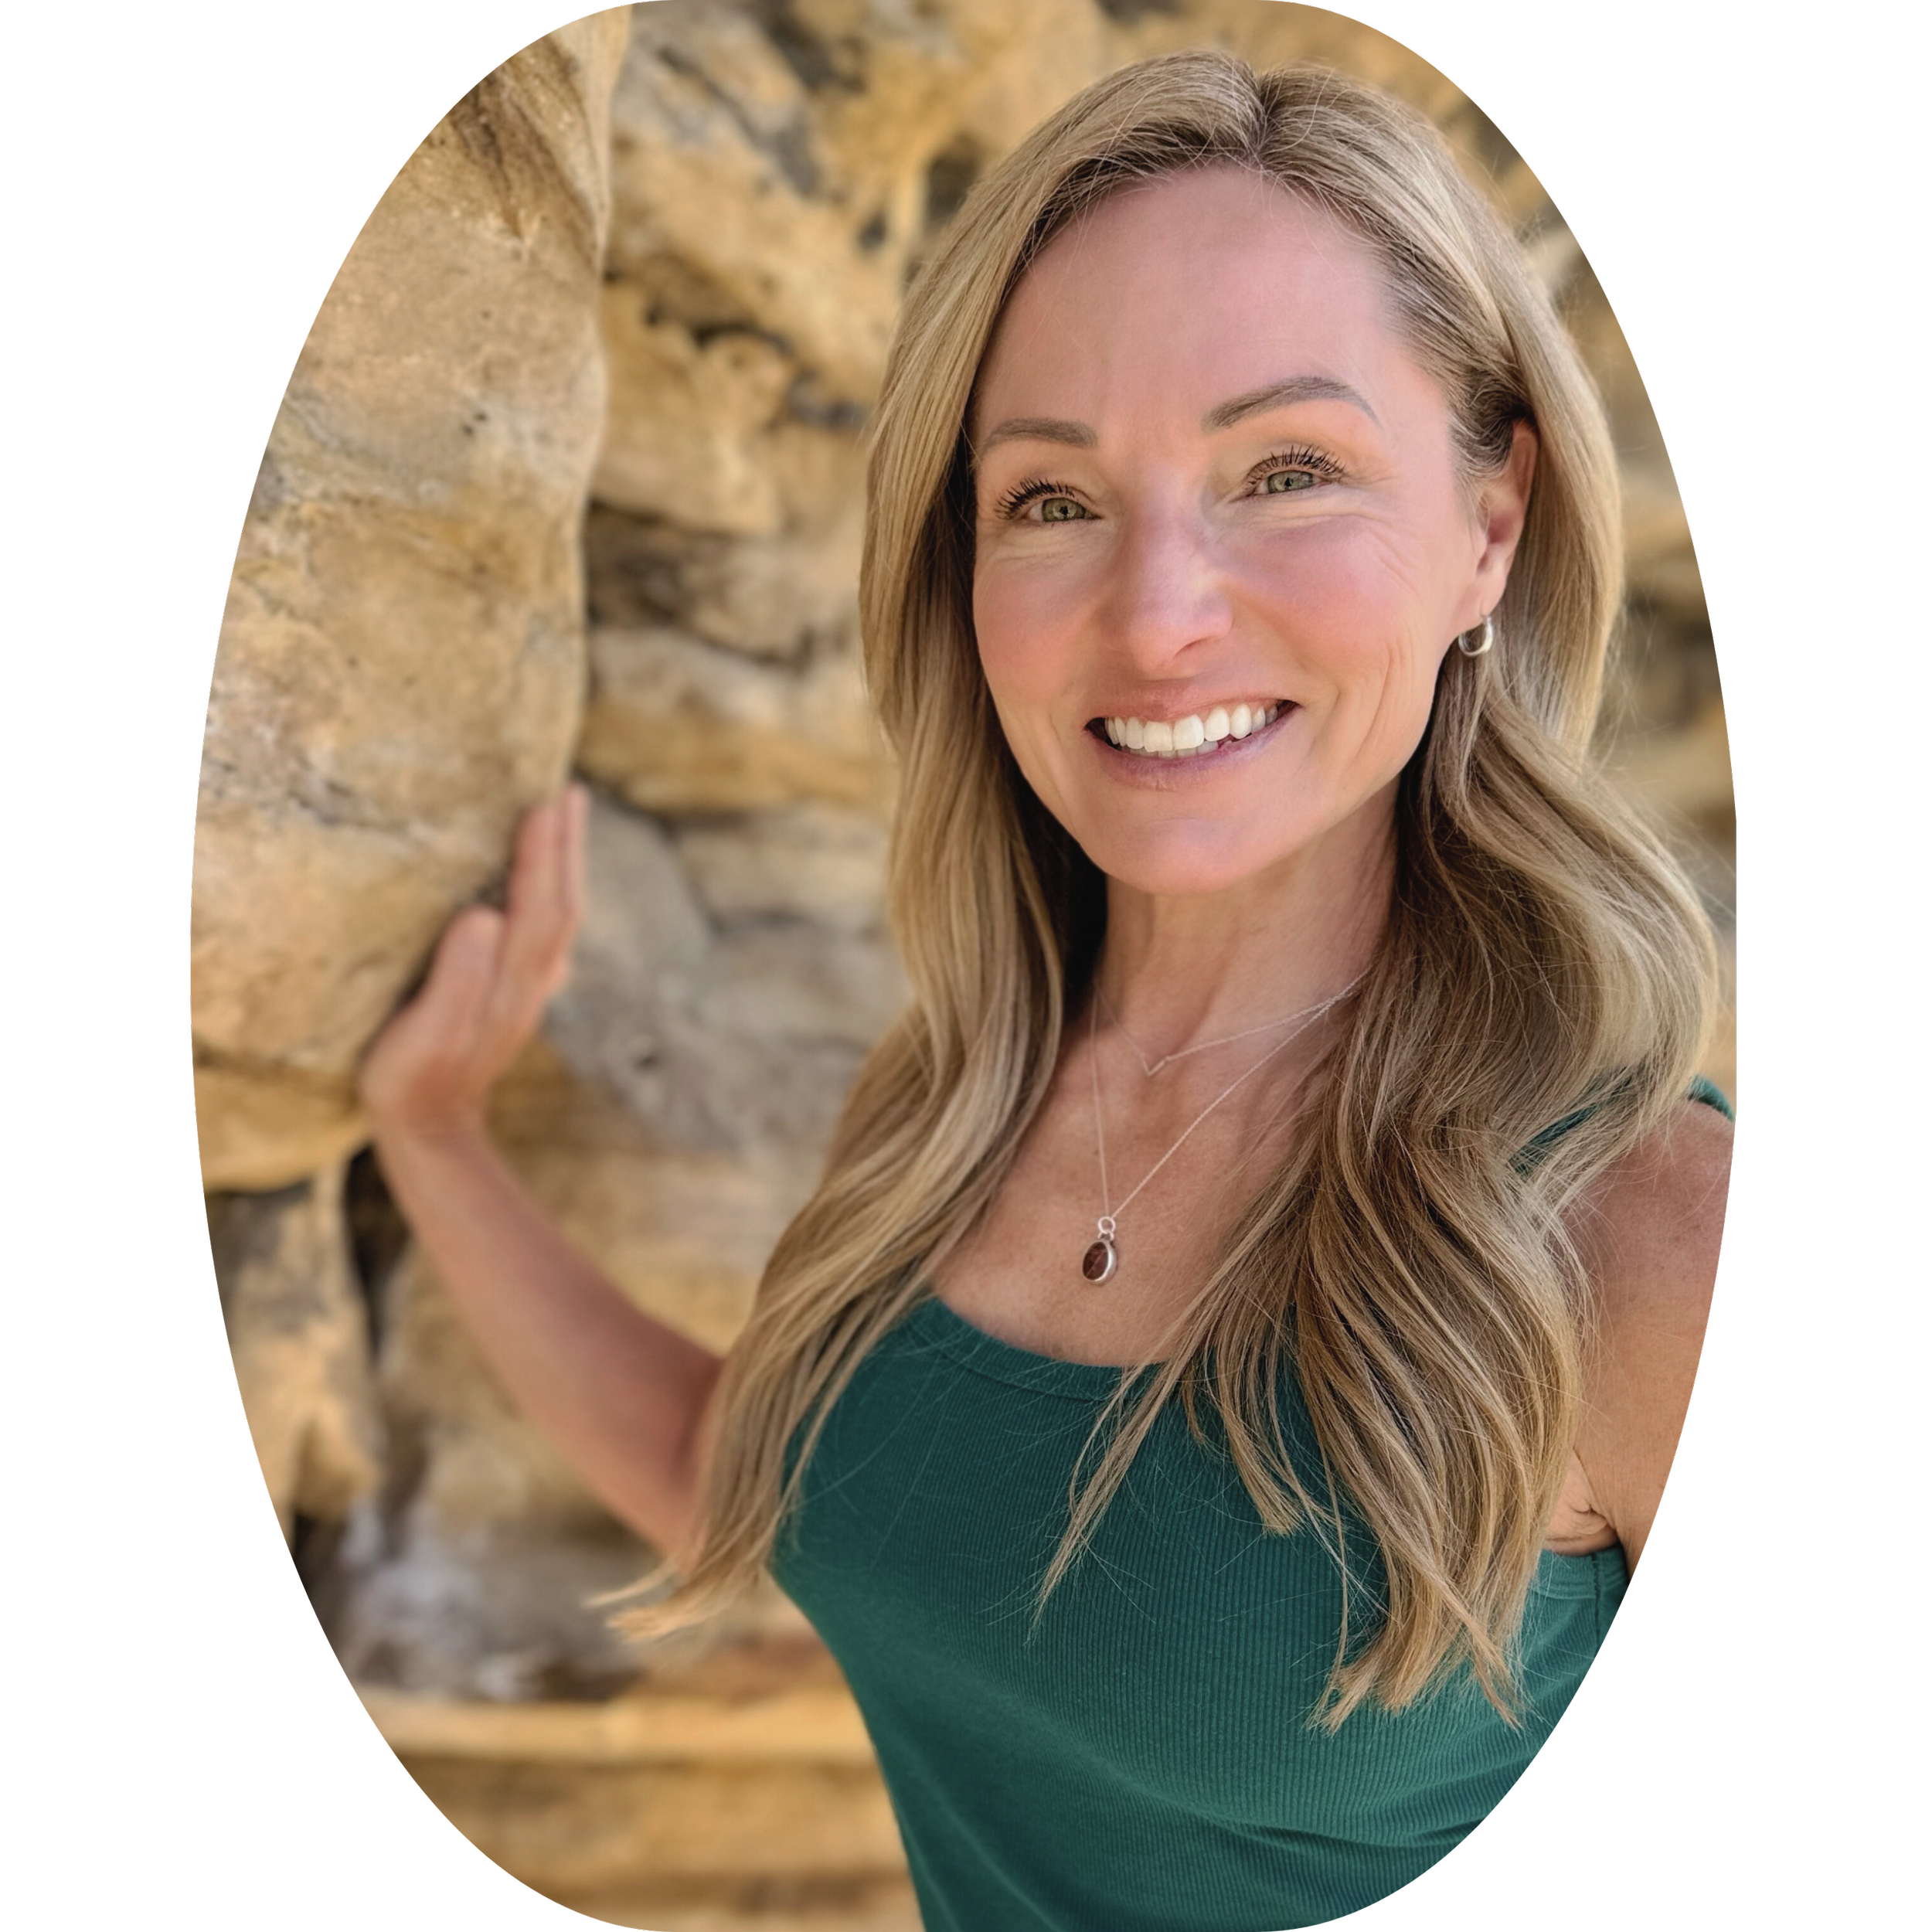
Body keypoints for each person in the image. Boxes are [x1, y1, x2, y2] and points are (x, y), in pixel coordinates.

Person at [358, 49, 1733, 1932]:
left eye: (1287, 469)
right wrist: (431, 1134)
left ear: (1488, 524)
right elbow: (752, 1480)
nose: (1156, 612)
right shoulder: (949, 1101)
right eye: (1048, 498)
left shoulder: (1640, 1231)